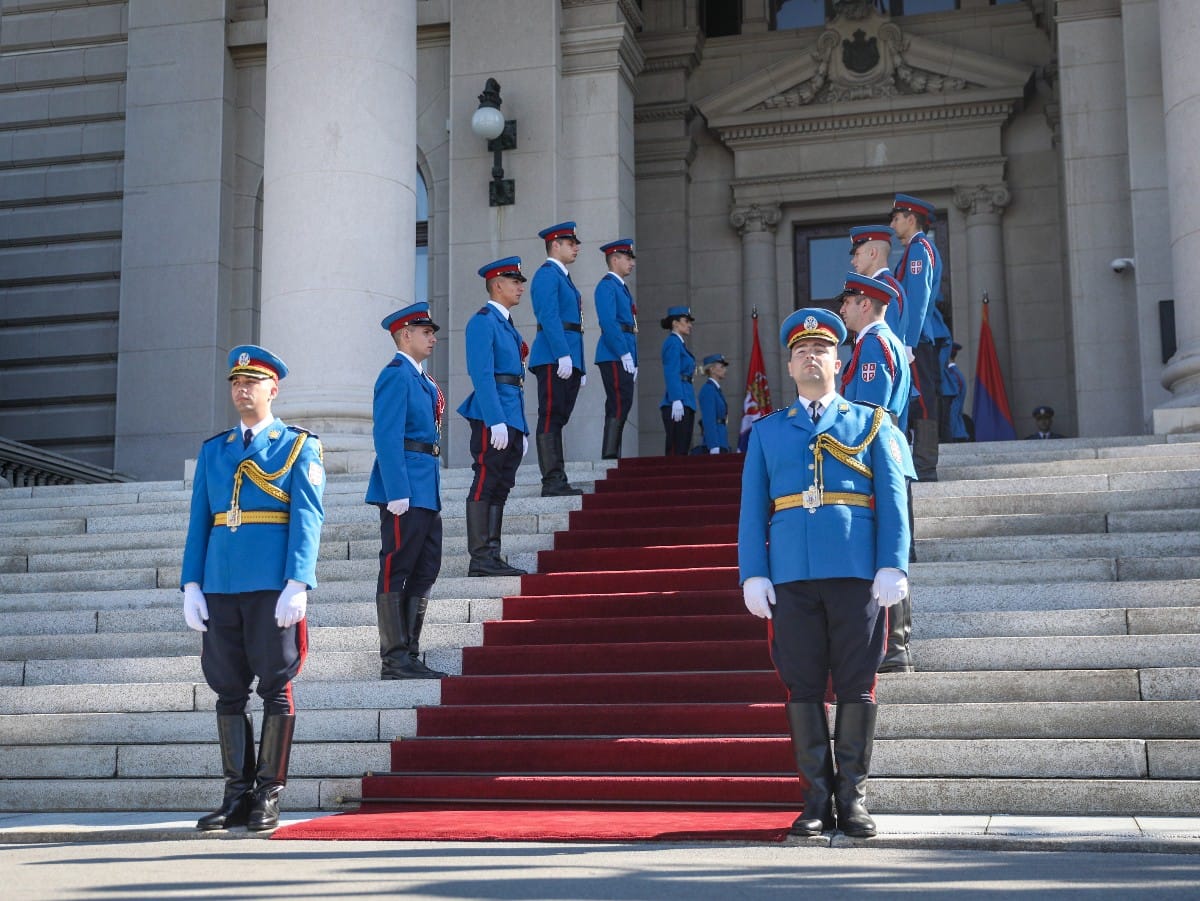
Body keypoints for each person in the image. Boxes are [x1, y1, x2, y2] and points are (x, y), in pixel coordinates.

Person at [739, 308, 910, 839]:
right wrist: (753, 572)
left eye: (820, 350)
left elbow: (892, 498)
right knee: (803, 685)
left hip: (856, 572)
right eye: (799, 352)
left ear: (839, 360)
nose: (810, 357)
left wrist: (893, 564)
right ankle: (815, 801)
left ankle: (852, 800)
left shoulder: (871, 422)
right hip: (790, 576)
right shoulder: (768, 432)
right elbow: (751, 509)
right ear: (790, 367)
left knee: (857, 685)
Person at [181, 345, 325, 832]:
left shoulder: (299, 446)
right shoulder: (214, 449)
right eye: (235, 384)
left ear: (273, 389)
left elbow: (307, 517)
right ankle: (235, 794)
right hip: (220, 583)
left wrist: (298, 581)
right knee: (227, 691)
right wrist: (192, 583)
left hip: (271, 585)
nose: (242, 391)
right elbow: (200, 520)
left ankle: (269, 793)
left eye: (252, 383)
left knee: (276, 688)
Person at [839, 273, 918, 674]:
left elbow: (865, 416)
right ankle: (894, 647)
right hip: (891, 458)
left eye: (848, 301)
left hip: (875, 463)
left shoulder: (872, 344)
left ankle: (893, 648)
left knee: (885, 552)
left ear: (865, 304)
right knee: (889, 552)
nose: (843, 309)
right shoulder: (884, 342)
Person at [365, 301, 447, 680]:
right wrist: (396, 489)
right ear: (404, 335)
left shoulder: (420, 378)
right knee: (397, 567)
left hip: (425, 485)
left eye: (432, 332)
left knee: (426, 566)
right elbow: (387, 434)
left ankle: (409, 652)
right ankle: (393, 657)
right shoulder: (396, 374)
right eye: (426, 332)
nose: (432, 338)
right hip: (406, 488)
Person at [458, 257, 531, 577]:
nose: (520, 287)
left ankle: (493, 554)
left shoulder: (506, 325)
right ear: (497, 285)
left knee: (501, 484)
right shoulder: (483, 321)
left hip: (511, 412)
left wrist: (522, 428)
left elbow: (516, 381)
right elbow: (482, 373)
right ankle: (480, 557)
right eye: (514, 281)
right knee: (486, 480)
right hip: (495, 412)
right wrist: (494, 418)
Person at [528, 221, 585, 496]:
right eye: (570, 243)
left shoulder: (562, 277)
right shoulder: (548, 275)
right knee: (550, 416)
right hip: (553, 356)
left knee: (558, 417)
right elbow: (549, 316)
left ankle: (557, 477)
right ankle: (552, 481)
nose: (576, 247)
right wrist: (563, 354)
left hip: (566, 356)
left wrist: (578, 363)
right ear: (555, 245)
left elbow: (575, 324)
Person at [890, 193, 943, 482]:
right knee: (914, 401)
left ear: (912, 220)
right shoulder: (914, 250)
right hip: (915, 338)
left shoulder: (920, 249)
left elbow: (918, 297)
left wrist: (908, 341)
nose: (893, 224)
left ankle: (924, 466)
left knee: (922, 402)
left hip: (917, 339)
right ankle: (918, 464)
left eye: (897, 218)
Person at [594, 238, 639, 459]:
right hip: (613, 354)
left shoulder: (621, 287)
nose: (632, 263)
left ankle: (614, 452)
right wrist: (623, 353)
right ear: (615, 259)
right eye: (628, 258)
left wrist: (634, 358)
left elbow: (631, 328)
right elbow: (609, 323)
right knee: (619, 400)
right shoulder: (607, 285)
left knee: (624, 400)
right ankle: (610, 455)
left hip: (623, 352)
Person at [660, 305, 697, 455]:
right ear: (675, 323)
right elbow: (672, 371)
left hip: (686, 398)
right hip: (678, 399)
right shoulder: (673, 343)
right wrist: (676, 398)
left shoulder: (679, 344)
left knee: (683, 448)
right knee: (676, 450)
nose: (689, 325)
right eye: (686, 321)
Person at [697, 353, 732, 454]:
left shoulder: (715, 389)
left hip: (722, 440)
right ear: (712, 369)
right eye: (721, 366)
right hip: (716, 443)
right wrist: (713, 445)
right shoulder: (708, 390)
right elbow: (709, 420)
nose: (725, 370)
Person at [943, 342, 971, 442]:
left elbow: (953, 407)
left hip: (955, 433)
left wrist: (948, 433)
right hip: (956, 431)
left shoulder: (952, 375)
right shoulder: (954, 373)